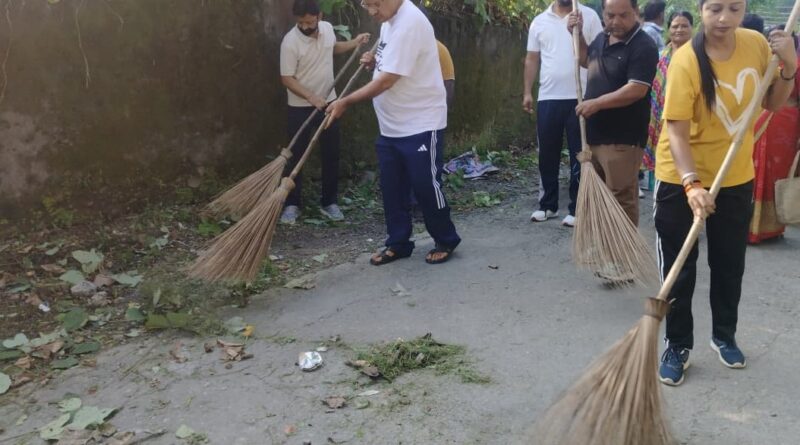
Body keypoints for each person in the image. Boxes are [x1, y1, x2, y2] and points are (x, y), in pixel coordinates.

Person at [654, 0, 797, 386]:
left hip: (734, 176)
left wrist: (789, 67)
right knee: (679, 268)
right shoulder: (686, 61)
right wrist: (691, 184)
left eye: (734, 9)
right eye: (715, 8)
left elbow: (772, 103)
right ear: (701, 9)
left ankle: (724, 336)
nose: (724, 19)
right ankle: (678, 344)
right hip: (679, 177)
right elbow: (677, 132)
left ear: (744, 8)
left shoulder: (754, 45)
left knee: (729, 262)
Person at [326, 0, 461, 265]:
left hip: (421, 122)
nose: (371, 11)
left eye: (374, 4)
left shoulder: (410, 22)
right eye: (366, 5)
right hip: (391, 124)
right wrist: (375, 62)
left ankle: (446, 238)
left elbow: (388, 80)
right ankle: (398, 242)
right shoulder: (389, 22)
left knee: (425, 185)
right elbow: (391, 65)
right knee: (392, 186)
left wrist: (346, 101)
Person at [567, 0, 659, 228]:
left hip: (622, 139)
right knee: (598, 196)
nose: (615, 21)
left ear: (636, 12)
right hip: (594, 134)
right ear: (603, 14)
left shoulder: (643, 45)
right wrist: (576, 35)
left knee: (620, 196)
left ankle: (623, 256)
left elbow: (637, 89)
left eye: (623, 15)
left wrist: (597, 103)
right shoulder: (602, 37)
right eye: (610, 15)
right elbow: (587, 60)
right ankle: (606, 249)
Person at [279, 0, 370, 225]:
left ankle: (329, 202)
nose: (306, 27)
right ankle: (292, 204)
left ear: (319, 16)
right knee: (295, 155)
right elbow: (287, 78)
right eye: (301, 23)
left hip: (330, 104)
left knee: (331, 152)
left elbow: (333, 48)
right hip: (300, 108)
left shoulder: (328, 29)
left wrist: (354, 43)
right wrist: (311, 97)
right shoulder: (290, 42)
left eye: (310, 22)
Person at [523, 0, 603, 227]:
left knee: (580, 154)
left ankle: (578, 207)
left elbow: (598, 53)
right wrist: (527, 92)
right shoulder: (539, 21)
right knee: (547, 153)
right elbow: (532, 58)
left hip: (581, 96)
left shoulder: (588, 16)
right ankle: (548, 205)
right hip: (548, 96)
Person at [749, 27, 800, 243]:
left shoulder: (794, 65)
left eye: (781, 38)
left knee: (775, 173)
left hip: (785, 126)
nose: (775, 43)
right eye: (772, 39)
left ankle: (771, 228)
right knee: (753, 169)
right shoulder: (762, 62)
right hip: (758, 121)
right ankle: (749, 226)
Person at [643, 11, 694, 176]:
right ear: (668, 29)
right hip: (658, 114)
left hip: (685, 114)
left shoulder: (697, 56)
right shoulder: (661, 55)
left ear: (692, 29)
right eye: (675, 26)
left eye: (684, 26)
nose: (679, 29)